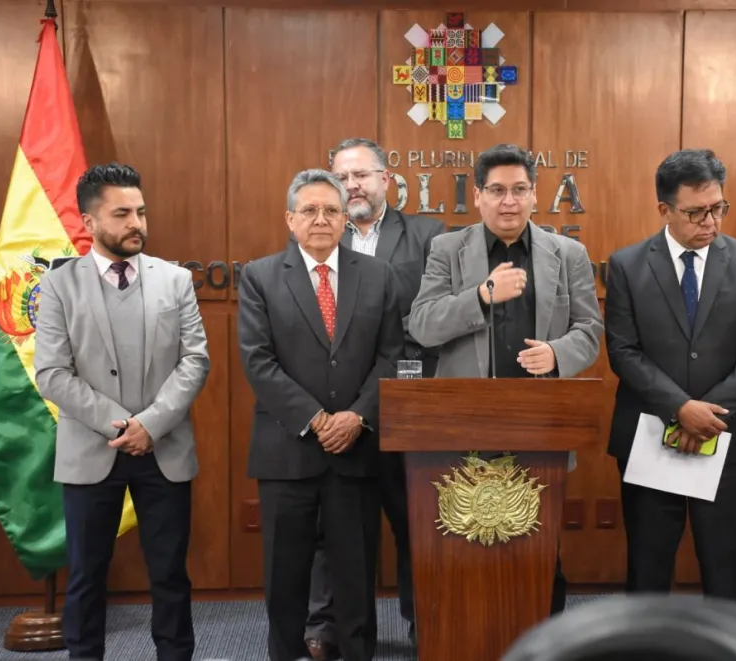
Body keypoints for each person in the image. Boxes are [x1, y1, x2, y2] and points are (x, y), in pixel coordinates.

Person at [408, 143, 604, 614]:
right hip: (462, 428)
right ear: (477, 195)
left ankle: (543, 642)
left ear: (535, 195)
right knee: (462, 552)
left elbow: (591, 331)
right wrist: (480, 296)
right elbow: (423, 324)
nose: (508, 201)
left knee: (538, 551)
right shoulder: (446, 249)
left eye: (519, 190)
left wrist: (557, 354)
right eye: (497, 190)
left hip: (539, 428)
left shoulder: (568, 252)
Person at [34, 163, 210, 661]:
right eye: (123, 213)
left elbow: (195, 360)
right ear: (89, 223)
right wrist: (120, 425)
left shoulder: (174, 280)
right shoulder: (58, 286)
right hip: (92, 451)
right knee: (87, 576)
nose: (138, 223)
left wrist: (149, 425)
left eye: (141, 211)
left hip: (164, 449)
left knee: (170, 574)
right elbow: (52, 372)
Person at [237, 169, 403, 661]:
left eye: (331, 210)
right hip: (288, 454)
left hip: (356, 453)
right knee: (285, 584)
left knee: (356, 583)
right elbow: (257, 360)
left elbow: (393, 356)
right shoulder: (260, 277)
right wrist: (316, 418)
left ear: (344, 220)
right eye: (309, 210)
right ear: (290, 219)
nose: (321, 220)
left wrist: (356, 417)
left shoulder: (378, 276)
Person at [604, 149, 736, 603]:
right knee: (648, 565)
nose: (711, 222)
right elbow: (623, 351)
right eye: (696, 212)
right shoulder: (626, 265)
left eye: (718, 208)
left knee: (725, 565)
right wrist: (681, 409)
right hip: (650, 434)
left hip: (724, 435)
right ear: (664, 209)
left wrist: (707, 414)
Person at [306, 138, 443, 658]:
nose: (353, 185)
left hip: (405, 404)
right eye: (343, 177)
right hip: (337, 409)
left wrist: (382, 390)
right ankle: (327, 625)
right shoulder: (321, 236)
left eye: (363, 175)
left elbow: (431, 317)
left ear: (387, 180)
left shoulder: (429, 236)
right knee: (333, 524)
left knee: (415, 523)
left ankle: (419, 620)